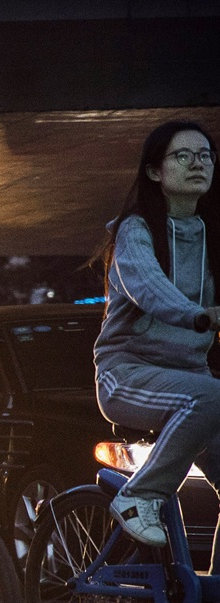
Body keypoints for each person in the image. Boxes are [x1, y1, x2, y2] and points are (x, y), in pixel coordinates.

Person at [93, 121, 219, 556]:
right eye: (182, 156)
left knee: (208, 395)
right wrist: (198, 315)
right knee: (211, 396)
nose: (197, 163)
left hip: (193, 380)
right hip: (126, 375)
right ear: (154, 172)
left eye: (204, 155)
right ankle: (138, 496)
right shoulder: (134, 230)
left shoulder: (213, 235)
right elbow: (149, 288)